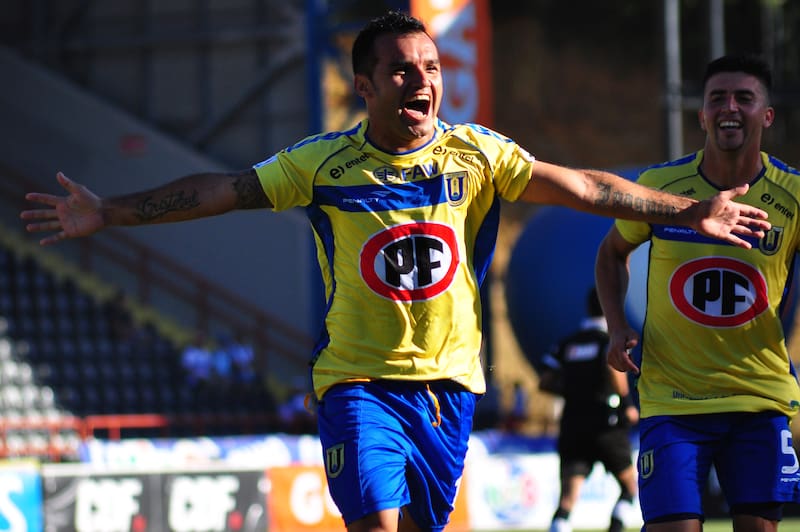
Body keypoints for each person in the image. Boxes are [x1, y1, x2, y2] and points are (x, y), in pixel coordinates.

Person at [20, 10, 770, 530]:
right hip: (358, 383)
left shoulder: (477, 155)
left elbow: (583, 186)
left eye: (431, 68)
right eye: (401, 71)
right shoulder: (322, 164)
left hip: (449, 391)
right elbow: (222, 191)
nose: (422, 82)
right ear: (366, 87)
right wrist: (110, 211)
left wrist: (688, 212)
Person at [594, 54, 800, 532]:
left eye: (744, 98)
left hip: (758, 398)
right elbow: (610, 255)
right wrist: (617, 327)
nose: (730, 107)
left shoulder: (792, 195)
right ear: (703, 115)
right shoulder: (661, 186)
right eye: (717, 98)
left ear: (767, 115)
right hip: (674, 401)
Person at [538, 287, 638, 532]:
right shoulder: (608, 342)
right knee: (629, 488)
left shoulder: (567, 344)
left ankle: (559, 526)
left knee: (567, 499)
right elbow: (615, 371)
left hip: (573, 425)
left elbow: (545, 382)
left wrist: (574, 391)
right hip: (606, 426)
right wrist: (627, 405)